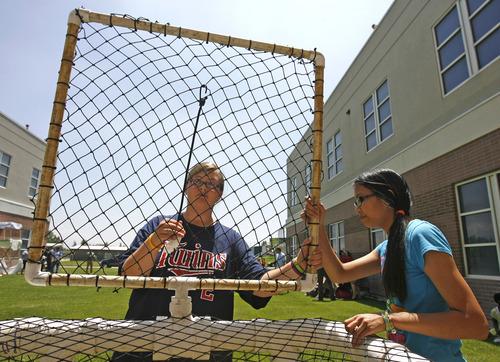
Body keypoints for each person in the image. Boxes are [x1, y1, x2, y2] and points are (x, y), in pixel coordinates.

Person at [115, 162, 309, 361]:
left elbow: (258, 285)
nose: (203, 187)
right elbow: (129, 276)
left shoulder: (231, 240)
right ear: (185, 187)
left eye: (211, 184)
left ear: (220, 194)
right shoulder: (159, 226)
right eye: (197, 181)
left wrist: (299, 264)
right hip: (142, 347)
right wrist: (153, 242)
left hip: (208, 350)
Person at [303, 168, 488, 361]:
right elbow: (339, 274)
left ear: (388, 195)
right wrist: (318, 225)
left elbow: (476, 325)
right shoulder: (387, 247)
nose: (357, 208)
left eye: (361, 199)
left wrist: (387, 320)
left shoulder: (420, 235)